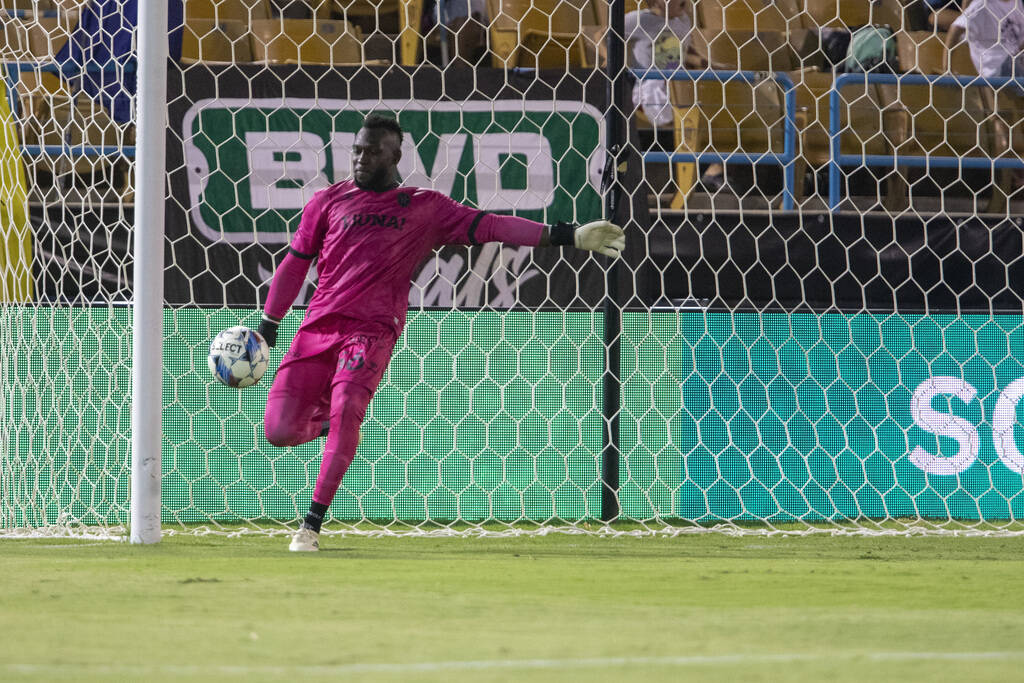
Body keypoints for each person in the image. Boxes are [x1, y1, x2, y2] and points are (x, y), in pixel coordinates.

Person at [258, 113, 625, 551]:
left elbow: (492, 225)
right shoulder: (327, 202)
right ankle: (327, 427)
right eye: (357, 149)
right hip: (318, 327)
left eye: (373, 150)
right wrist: (268, 326)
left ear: (395, 155)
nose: (361, 157)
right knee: (278, 431)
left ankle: (310, 525)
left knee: (348, 405)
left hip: (373, 331)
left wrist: (568, 235)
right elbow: (295, 263)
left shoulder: (423, 207)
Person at [624, 0, 725, 190]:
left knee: (712, 99)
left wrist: (706, 63)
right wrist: (608, 59)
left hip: (677, 84)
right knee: (691, 113)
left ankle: (708, 169)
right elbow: (602, 35)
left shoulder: (682, 20)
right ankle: (706, 170)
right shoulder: (639, 20)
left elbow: (681, 51)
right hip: (648, 90)